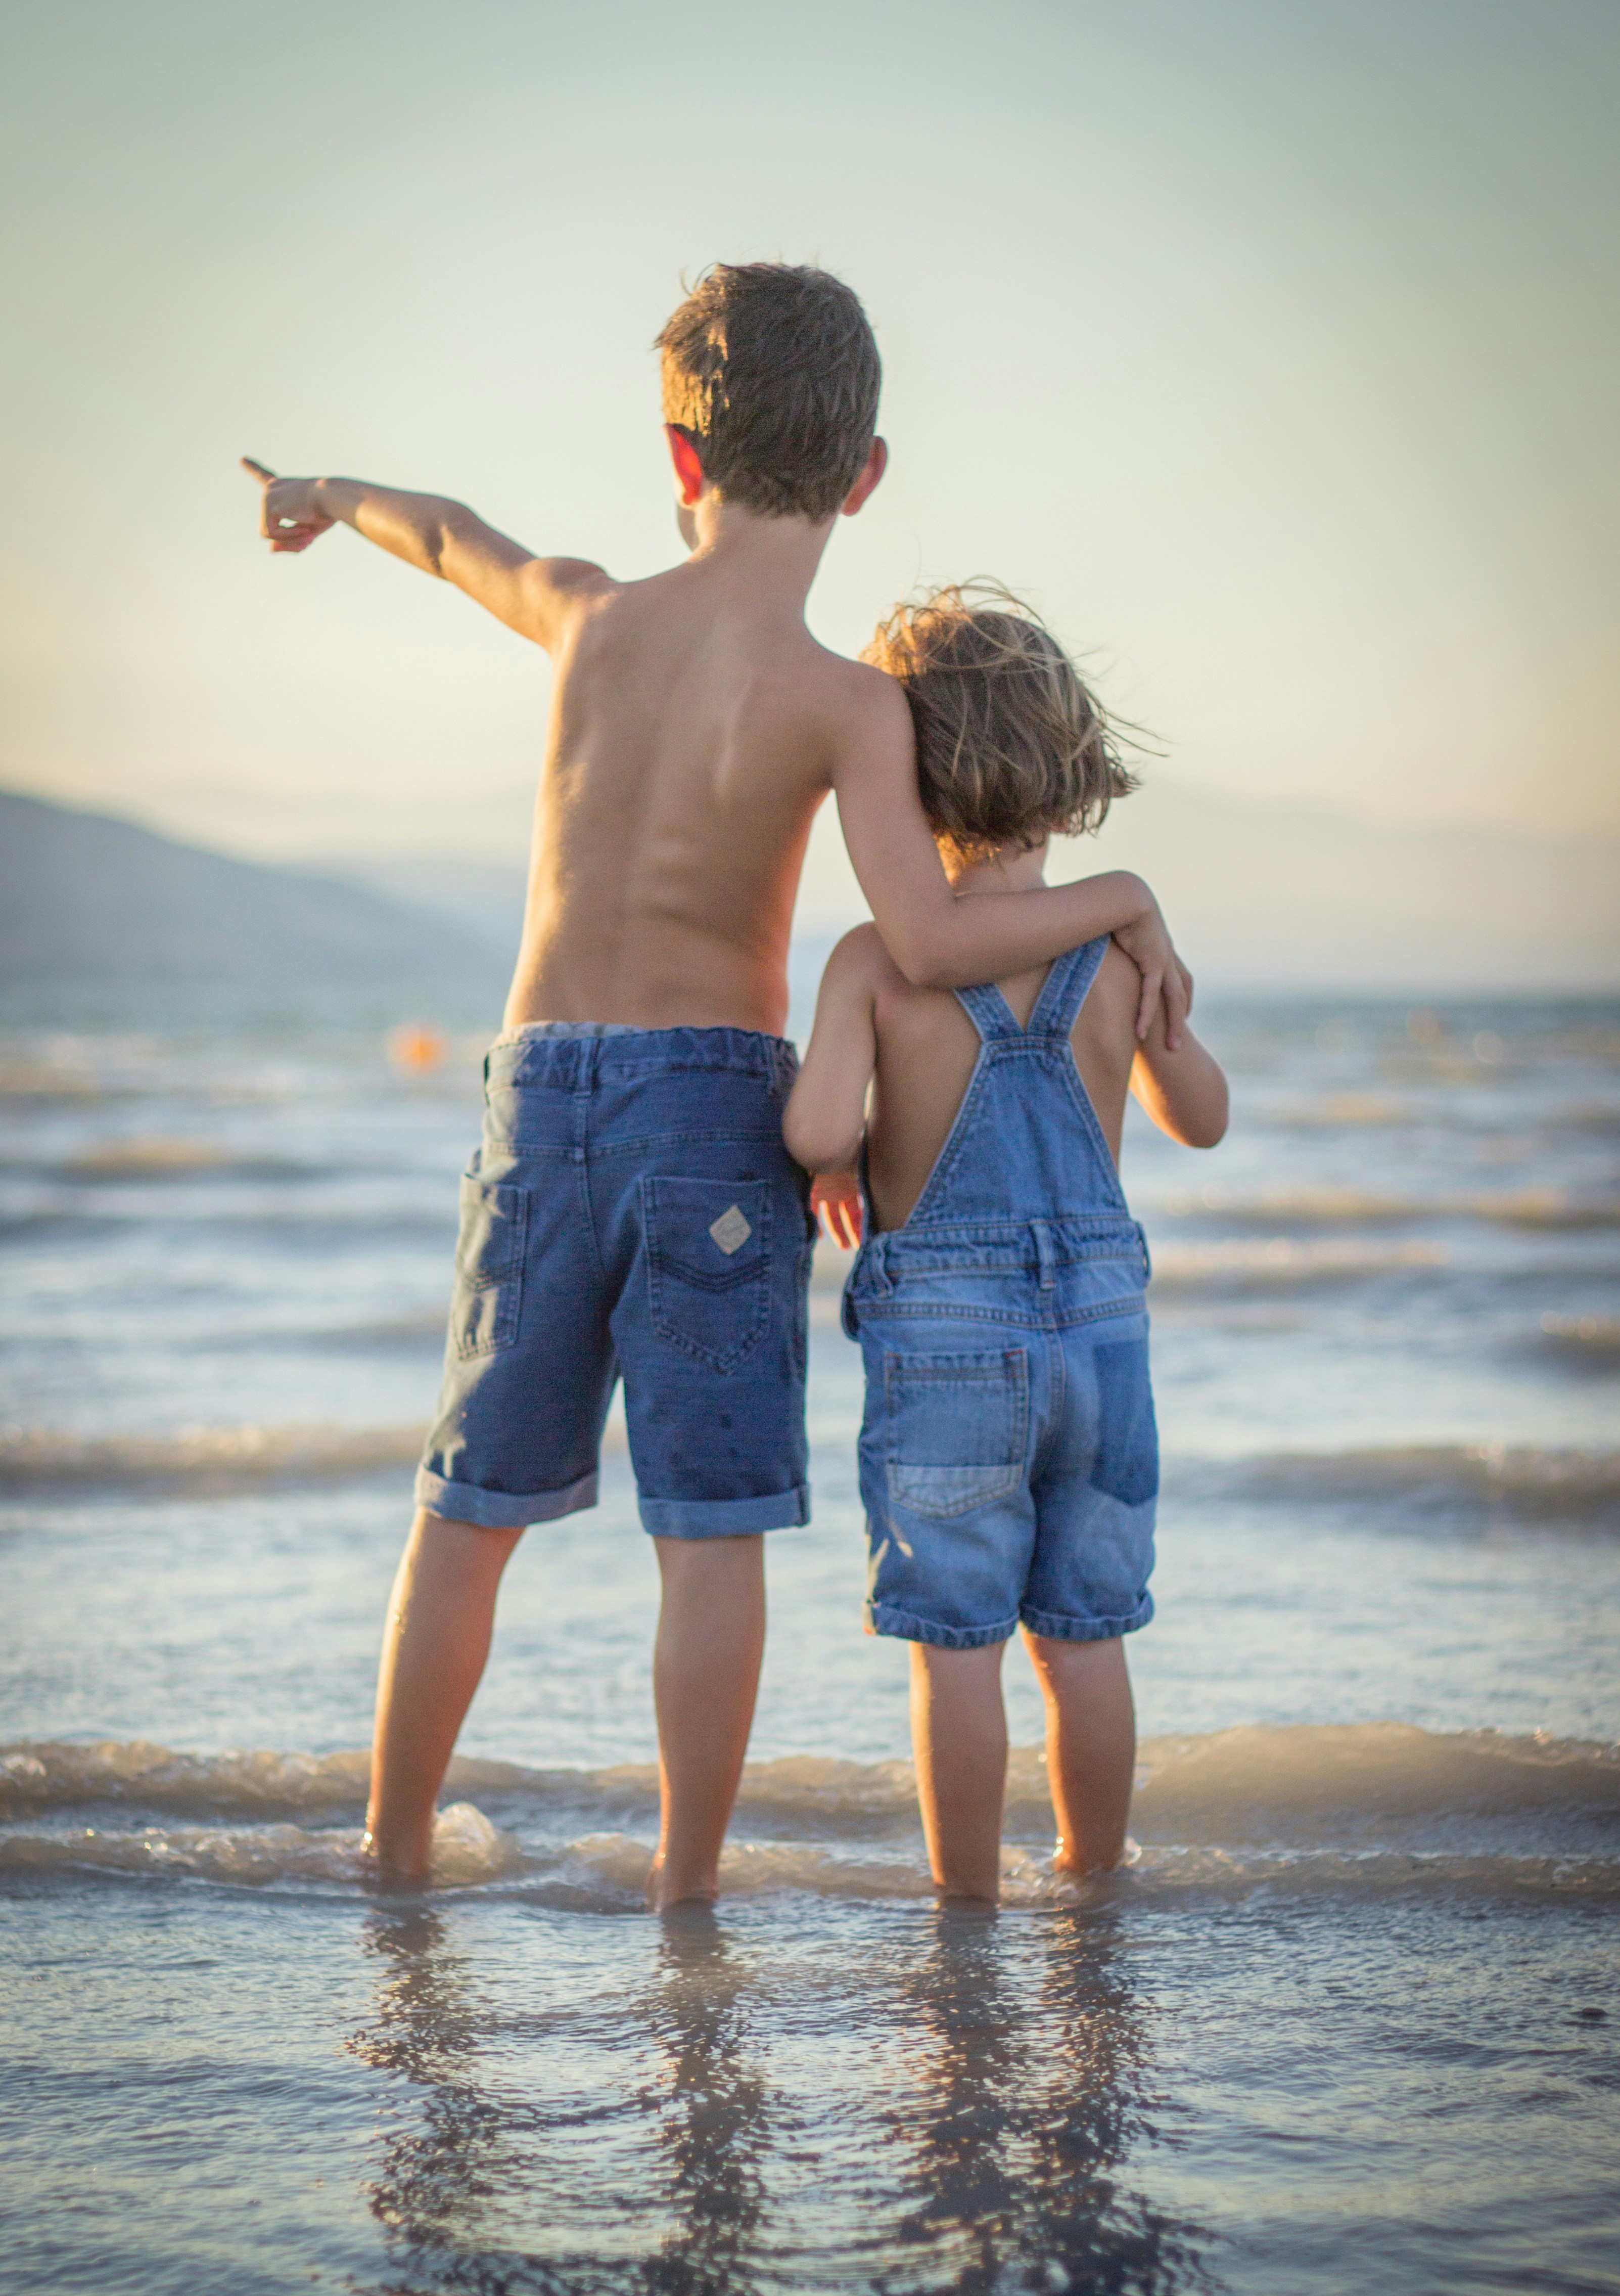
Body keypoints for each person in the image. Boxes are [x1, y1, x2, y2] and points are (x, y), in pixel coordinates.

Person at [243, 264, 1190, 1907]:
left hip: (540, 1093)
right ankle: (686, 1886)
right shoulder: (846, 703)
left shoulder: (589, 612)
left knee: (466, 1506)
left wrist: (326, 497)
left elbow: (453, 532)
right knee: (711, 1526)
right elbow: (923, 931)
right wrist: (1119, 901)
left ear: (679, 458)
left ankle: (389, 1853)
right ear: (866, 477)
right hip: (714, 1113)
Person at [784, 583, 1228, 1904]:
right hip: (1104, 1345)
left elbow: (814, 1127)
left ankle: (967, 1914)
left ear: (898, 780)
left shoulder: (876, 959)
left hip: (949, 1355)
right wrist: (1162, 1005)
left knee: (958, 1648)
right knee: (1085, 1642)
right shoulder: (1111, 947)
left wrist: (839, 1147)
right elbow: (1200, 1118)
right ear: (1067, 762)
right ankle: (1093, 1883)